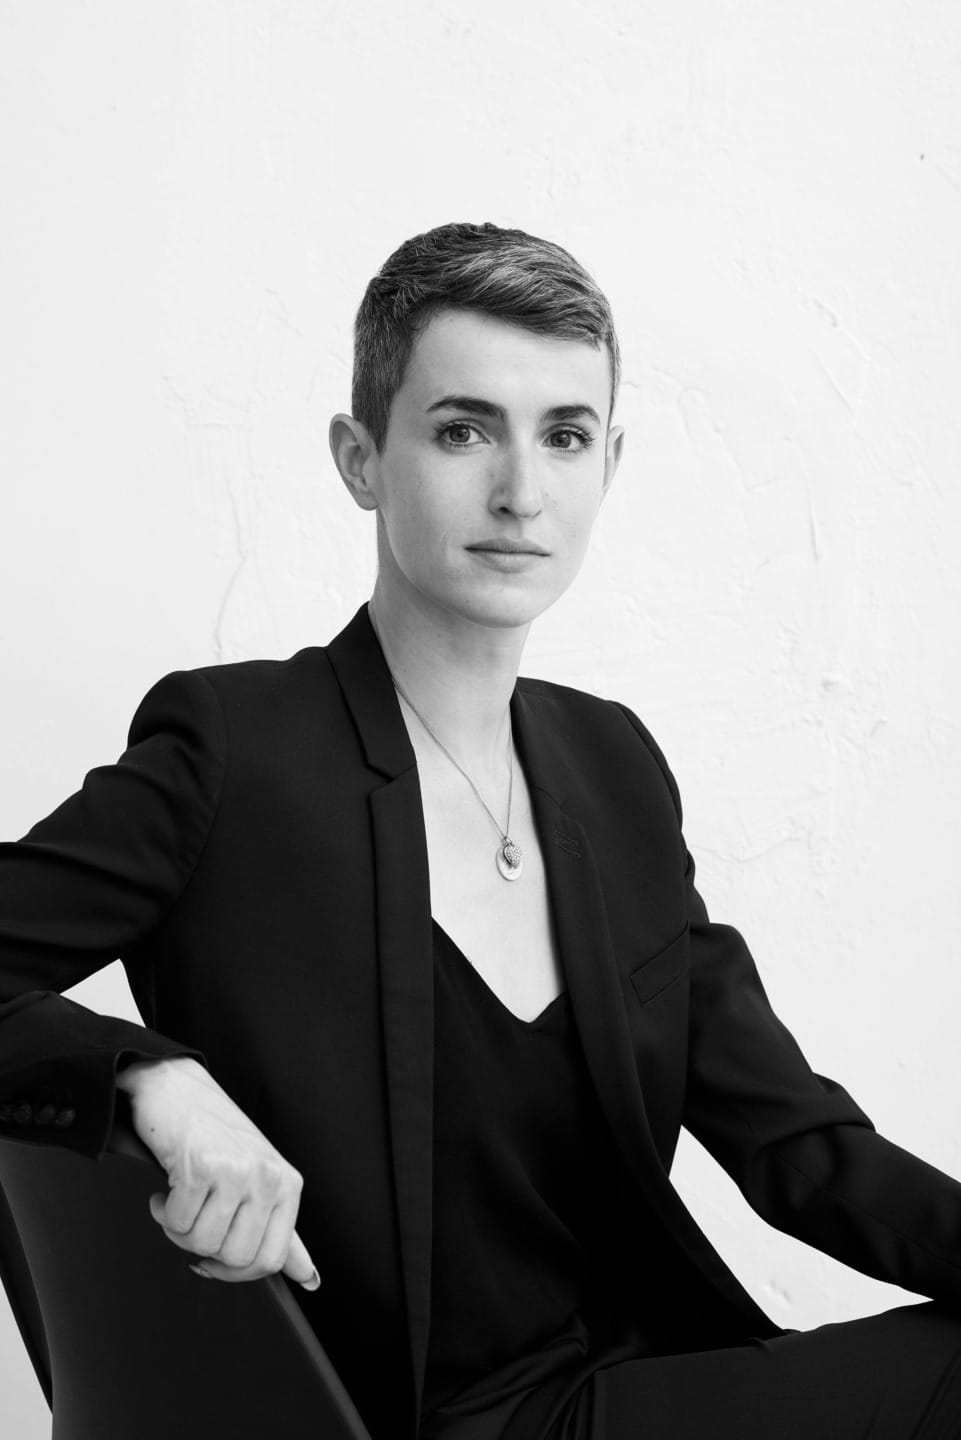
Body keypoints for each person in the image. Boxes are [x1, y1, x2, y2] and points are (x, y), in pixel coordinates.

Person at [2, 221, 961, 1440]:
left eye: (564, 436)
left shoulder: (611, 766)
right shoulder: (234, 752)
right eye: (462, 430)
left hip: (629, 1380)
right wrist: (147, 1075)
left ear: (608, 462)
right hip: (414, 1415)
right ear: (361, 458)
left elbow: (796, 1146)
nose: (520, 491)